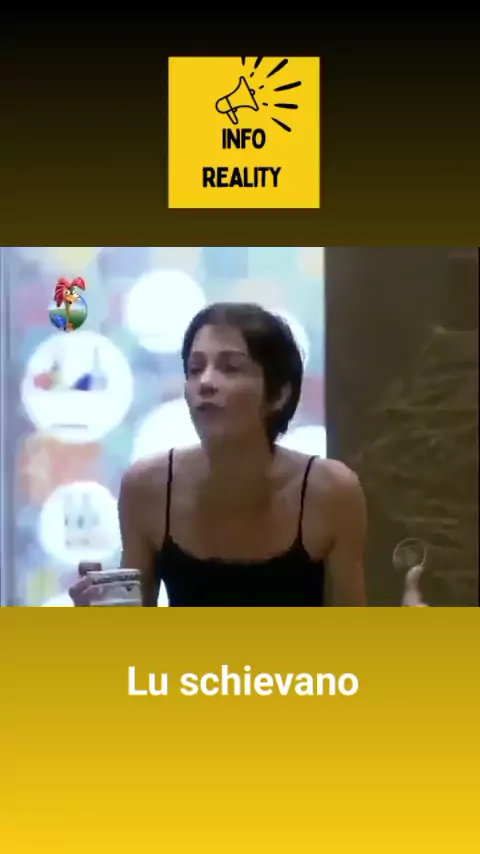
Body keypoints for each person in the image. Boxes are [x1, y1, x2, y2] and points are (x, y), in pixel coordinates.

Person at [69, 303, 370, 606]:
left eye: (231, 368)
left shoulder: (331, 493)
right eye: (195, 369)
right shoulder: (147, 487)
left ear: (279, 394)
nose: (206, 382)